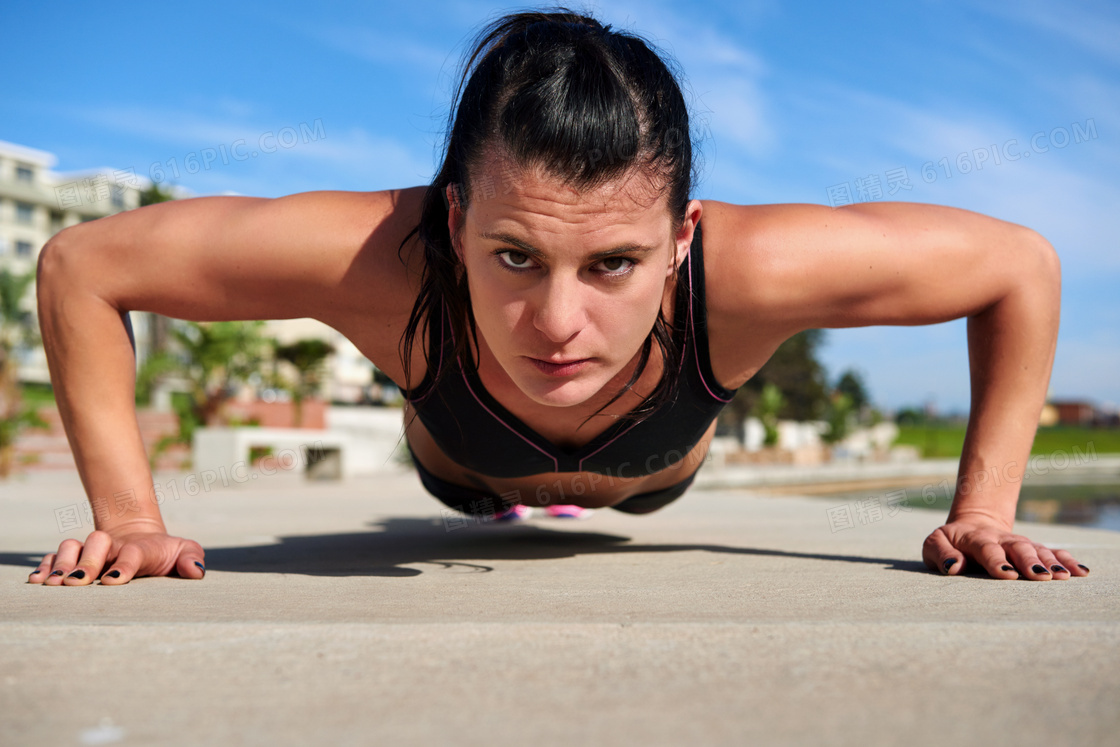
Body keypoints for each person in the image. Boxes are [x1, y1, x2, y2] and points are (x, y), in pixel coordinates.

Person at [27, 9, 1088, 586]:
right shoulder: (376, 257)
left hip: (650, 477)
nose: (559, 325)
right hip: (462, 471)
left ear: (681, 239)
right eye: (515, 258)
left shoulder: (753, 268)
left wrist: (983, 512)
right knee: (476, 466)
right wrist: (130, 520)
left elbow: (1017, 267)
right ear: (452, 222)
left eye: (613, 264)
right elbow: (82, 265)